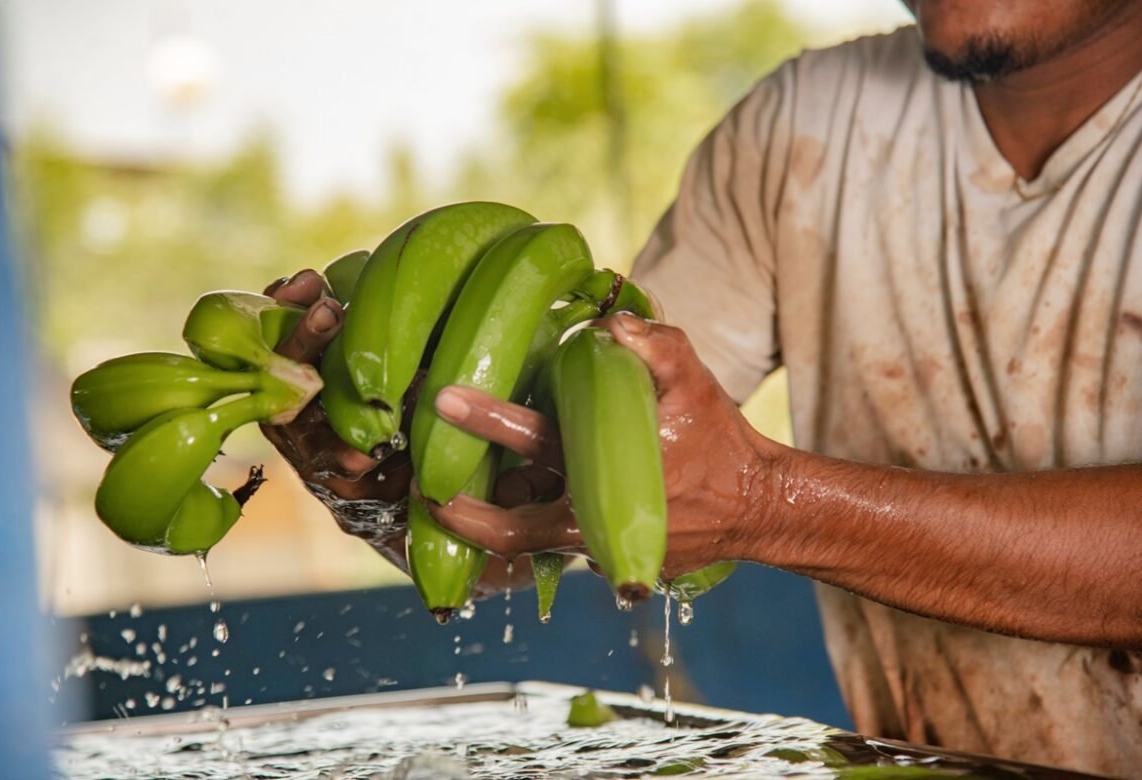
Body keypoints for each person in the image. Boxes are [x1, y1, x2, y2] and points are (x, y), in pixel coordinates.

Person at [263, 1, 1142, 776]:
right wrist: (393, 479)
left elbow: (732, 500)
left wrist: (773, 501)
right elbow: (576, 502)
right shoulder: (803, 126)